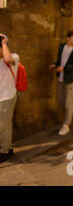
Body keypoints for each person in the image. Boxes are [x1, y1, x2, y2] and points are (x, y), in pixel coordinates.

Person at [50, 31, 73, 136]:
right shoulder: (62, 47)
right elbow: (60, 61)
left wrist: (64, 68)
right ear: (68, 38)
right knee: (61, 101)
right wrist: (55, 65)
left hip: (71, 78)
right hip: (61, 78)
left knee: (68, 103)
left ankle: (66, 125)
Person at [0, 34, 19, 163]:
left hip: (7, 96)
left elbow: (7, 59)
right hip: (1, 96)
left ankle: (4, 151)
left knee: (2, 125)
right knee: (6, 124)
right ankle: (9, 148)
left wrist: (4, 43)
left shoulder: (14, 57)